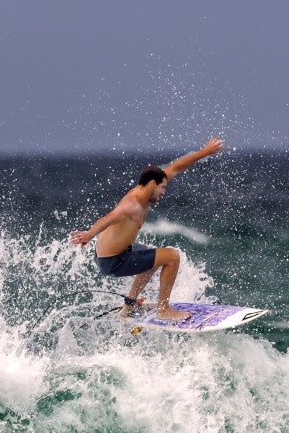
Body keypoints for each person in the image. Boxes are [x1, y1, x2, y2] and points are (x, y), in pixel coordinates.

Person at [70, 137, 224, 320]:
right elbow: (109, 218)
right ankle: (163, 310)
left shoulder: (145, 190)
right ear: (153, 184)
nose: (163, 192)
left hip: (114, 252)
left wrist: (204, 152)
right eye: (162, 188)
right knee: (172, 257)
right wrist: (88, 234)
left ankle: (129, 306)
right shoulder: (132, 205)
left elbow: (175, 167)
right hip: (112, 261)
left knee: (153, 256)